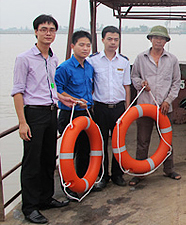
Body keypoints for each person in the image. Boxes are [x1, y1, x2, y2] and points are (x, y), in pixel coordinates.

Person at [12, 14, 70, 224]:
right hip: (34, 114)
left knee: (47, 158)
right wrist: (22, 122)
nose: (48, 33)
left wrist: (63, 98)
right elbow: (18, 91)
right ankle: (30, 207)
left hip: (51, 111)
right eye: (44, 29)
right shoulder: (24, 58)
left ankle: (46, 198)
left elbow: (51, 86)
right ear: (35, 31)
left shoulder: (53, 59)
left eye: (52, 30)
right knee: (31, 162)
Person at [129, 25, 182, 186]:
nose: (159, 40)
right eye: (156, 37)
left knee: (166, 141)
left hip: (164, 108)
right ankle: (140, 172)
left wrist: (168, 101)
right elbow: (134, 76)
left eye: (162, 38)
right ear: (150, 39)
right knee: (142, 140)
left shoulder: (172, 59)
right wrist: (140, 84)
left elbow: (176, 83)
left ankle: (169, 169)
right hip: (145, 107)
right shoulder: (140, 58)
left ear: (166, 41)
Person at [88, 26, 131, 190]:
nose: (113, 43)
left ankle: (118, 174)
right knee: (101, 142)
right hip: (100, 107)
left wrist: (127, 109)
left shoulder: (124, 61)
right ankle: (103, 175)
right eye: (110, 39)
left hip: (118, 107)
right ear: (103, 40)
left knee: (119, 143)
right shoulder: (93, 61)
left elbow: (127, 87)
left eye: (116, 39)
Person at [55, 30, 94, 198]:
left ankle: (83, 183)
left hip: (86, 114)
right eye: (81, 45)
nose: (85, 49)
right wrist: (75, 99)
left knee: (85, 149)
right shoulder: (64, 68)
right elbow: (57, 91)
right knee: (69, 152)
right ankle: (68, 187)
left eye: (88, 45)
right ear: (73, 46)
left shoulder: (90, 67)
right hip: (69, 114)